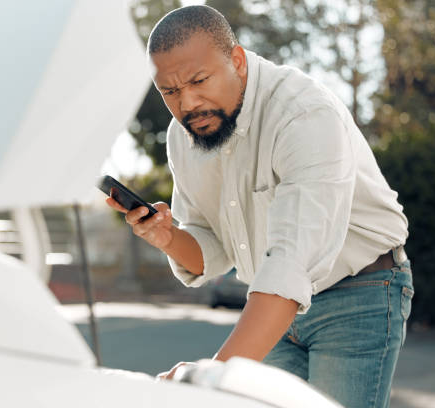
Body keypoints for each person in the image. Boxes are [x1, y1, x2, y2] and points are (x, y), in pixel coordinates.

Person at [106, 5, 414, 408]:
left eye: (199, 80)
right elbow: (212, 251)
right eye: (170, 91)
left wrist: (205, 382)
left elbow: (291, 265)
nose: (188, 103)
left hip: (358, 292)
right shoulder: (185, 135)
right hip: (269, 305)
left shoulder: (304, 115)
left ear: (236, 60)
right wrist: (169, 237)